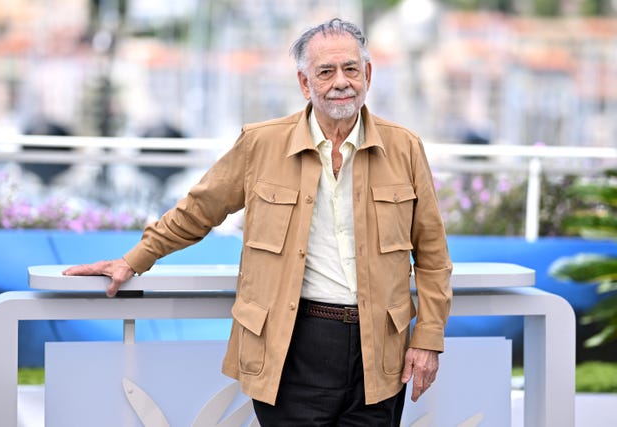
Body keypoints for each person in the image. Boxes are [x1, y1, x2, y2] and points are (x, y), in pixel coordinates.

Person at [64, 18, 452, 426]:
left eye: (351, 69)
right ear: (305, 83)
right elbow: (198, 211)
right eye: (326, 72)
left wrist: (427, 339)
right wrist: (133, 259)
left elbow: (433, 255)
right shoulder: (261, 144)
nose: (342, 81)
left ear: (368, 74)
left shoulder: (404, 147)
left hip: (382, 352)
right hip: (291, 346)